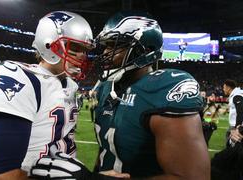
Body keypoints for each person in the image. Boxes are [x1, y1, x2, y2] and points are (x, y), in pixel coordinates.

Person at [31, 11, 210, 179]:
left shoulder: (165, 88)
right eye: (106, 46)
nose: (106, 53)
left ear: (144, 50)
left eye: (115, 46)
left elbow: (193, 176)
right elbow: (106, 153)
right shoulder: (106, 88)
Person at [0, 11, 93, 180]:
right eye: (75, 47)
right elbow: (3, 176)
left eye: (85, 50)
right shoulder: (21, 77)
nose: (83, 55)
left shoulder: (71, 85)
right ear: (48, 44)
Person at [222, 79, 243, 145]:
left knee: (232, 146)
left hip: (236, 125)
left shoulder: (236, 95)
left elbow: (240, 111)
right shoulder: (236, 94)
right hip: (236, 125)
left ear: (228, 88)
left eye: (224, 87)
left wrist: (237, 127)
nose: (223, 89)